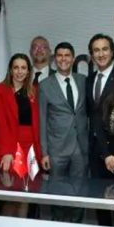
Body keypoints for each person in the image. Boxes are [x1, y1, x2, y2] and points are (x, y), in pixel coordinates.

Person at [39, 42, 88, 178]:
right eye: (59, 55)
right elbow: (42, 120)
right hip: (56, 150)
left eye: (67, 55)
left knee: (81, 187)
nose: (63, 59)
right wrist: (44, 153)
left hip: (80, 148)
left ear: (73, 59)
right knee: (56, 187)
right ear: (54, 59)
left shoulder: (83, 81)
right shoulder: (44, 85)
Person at [0, 53, 41, 171]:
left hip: (31, 146)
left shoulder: (34, 91)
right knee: (12, 178)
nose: (20, 71)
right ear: (10, 70)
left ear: (28, 71)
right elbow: (1, 124)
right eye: (16, 67)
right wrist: (6, 151)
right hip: (10, 143)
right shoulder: (0, 90)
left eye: (23, 68)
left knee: (32, 180)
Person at [87, 34, 114, 177]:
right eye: (96, 50)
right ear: (92, 55)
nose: (101, 54)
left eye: (105, 49)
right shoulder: (89, 80)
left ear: (112, 52)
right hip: (94, 150)